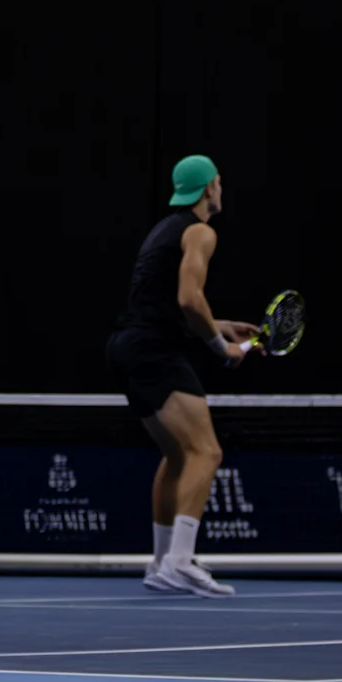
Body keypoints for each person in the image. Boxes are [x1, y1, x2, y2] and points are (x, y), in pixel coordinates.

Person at [105, 154, 265, 597]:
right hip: (154, 352)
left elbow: (171, 303)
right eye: (219, 182)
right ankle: (180, 561)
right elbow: (190, 300)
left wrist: (222, 324)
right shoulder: (202, 232)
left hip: (126, 347)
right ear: (208, 189)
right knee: (207, 452)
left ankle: (160, 564)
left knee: (177, 455)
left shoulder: (164, 229)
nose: (221, 189)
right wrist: (222, 348)